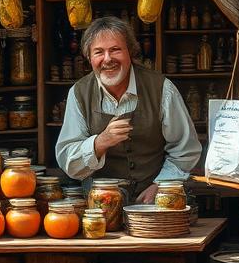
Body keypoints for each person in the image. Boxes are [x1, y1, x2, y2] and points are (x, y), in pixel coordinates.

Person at [55, 15, 201, 202]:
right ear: (89, 57)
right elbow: (68, 160)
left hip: (155, 203)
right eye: (99, 52)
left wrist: (161, 186)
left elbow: (186, 149)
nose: (107, 59)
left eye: (115, 50)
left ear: (130, 52)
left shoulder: (161, 88)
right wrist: (100, 142)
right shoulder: (79, 93)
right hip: (101, 206)